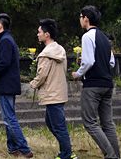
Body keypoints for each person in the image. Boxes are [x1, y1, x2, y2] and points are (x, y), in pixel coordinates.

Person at [72, 5, 120, 159]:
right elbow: (111, 62)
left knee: (90, 123)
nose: (80, 20)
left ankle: (110, 155)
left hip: (93, 85)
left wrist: (77, 73)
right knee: (108, 123)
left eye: (80, 17)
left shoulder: (87, 36)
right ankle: (116, 156)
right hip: (107, 84)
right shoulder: (105, 38)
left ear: (86, 18)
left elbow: (88, 61)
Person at [0, 13, 33, 158]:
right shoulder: (6, 39)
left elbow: (4, 63)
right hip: (6, 84)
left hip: (5, 85)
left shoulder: (5, 41)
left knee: (9, 118)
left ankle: (24, 149)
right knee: (8, 117)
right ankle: (13, 148)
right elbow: (4, 63)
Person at [30, 19, 76, 159]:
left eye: (39, 32)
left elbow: (41, 75)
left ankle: (67, 154)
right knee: (52, 123)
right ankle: (66, 150)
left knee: (58, 126)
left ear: (47, 34)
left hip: (51, 93)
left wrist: (33, 84)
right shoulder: (60, 49)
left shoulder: (45, 54)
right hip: (59, 92)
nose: (37, 35)